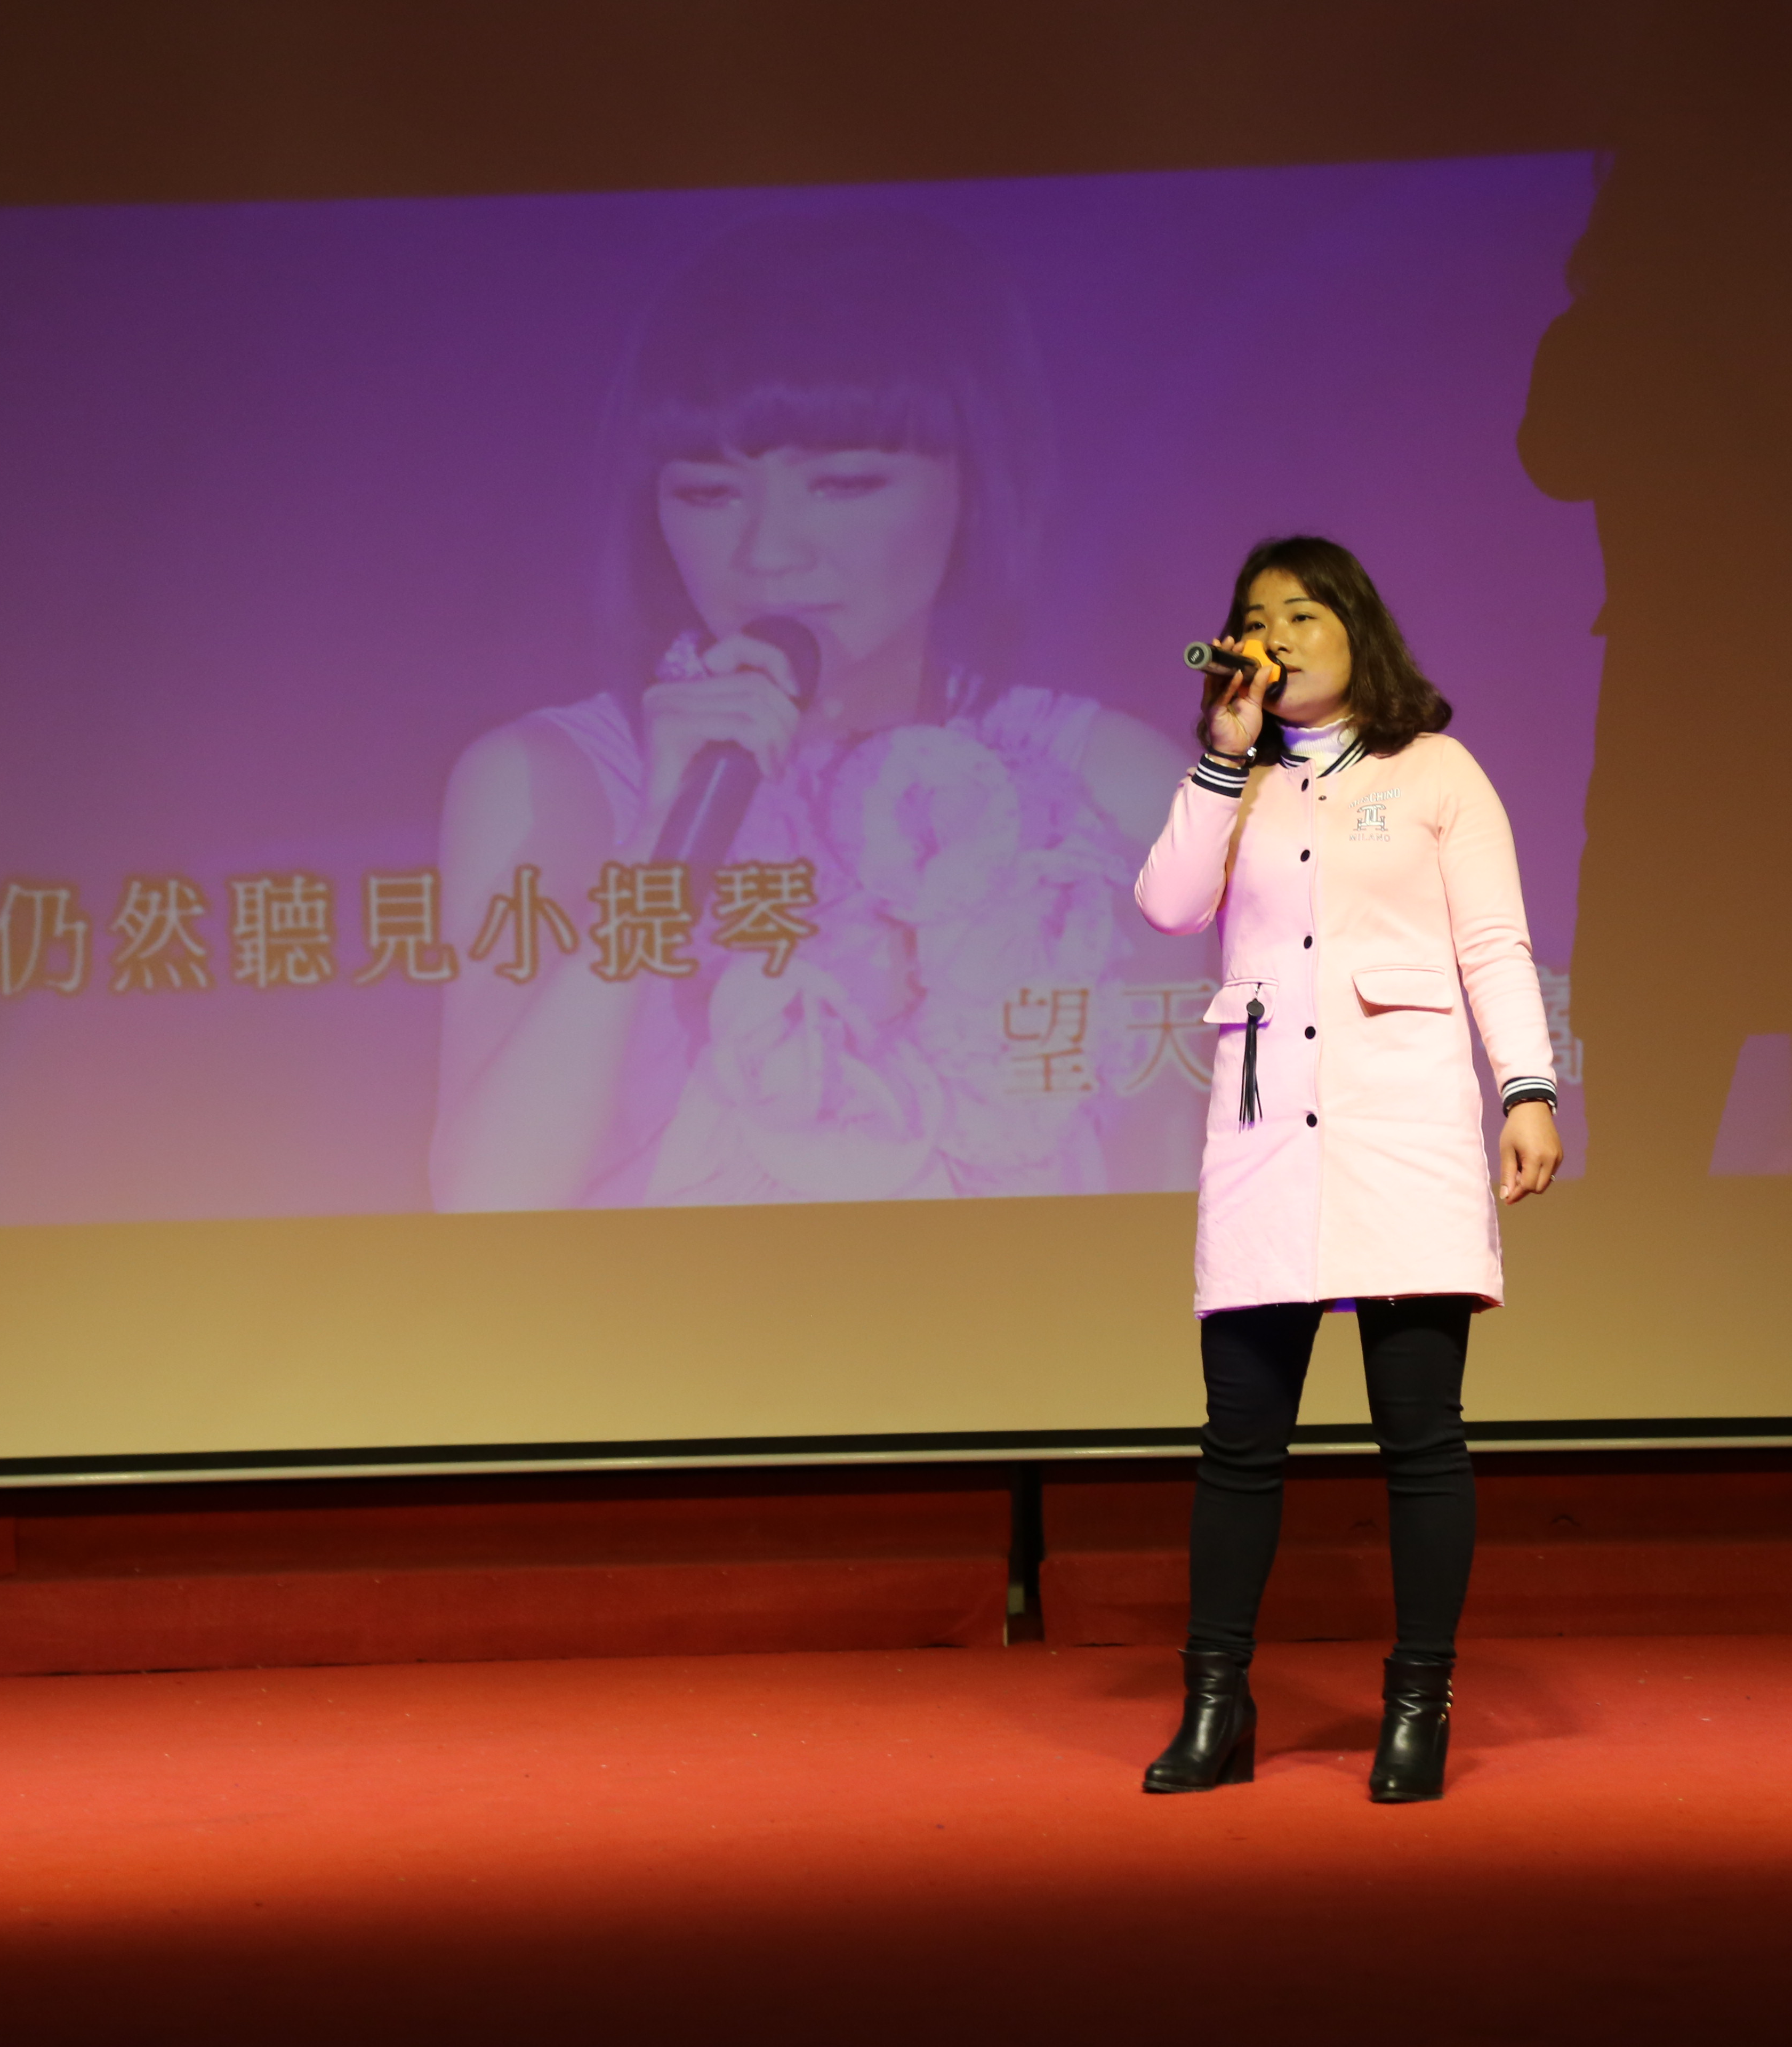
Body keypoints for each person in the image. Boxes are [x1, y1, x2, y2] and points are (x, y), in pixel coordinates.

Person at [431, 212, 1204, 1212]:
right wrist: (659, 850)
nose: (768, 554)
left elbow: (1170, 1185)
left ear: (972, 485)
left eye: (843, 485)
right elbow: (486, 1207)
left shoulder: (1114, 786)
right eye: (708, 495)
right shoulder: (551, 781)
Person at [1130, 535, 1564, 1803]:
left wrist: (1528, 1088)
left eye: (1303, 613)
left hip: (1404, 1128)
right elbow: (1167, 905)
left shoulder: (1434, 771)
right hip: (1268, 1134)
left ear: (1356, 629)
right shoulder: (1239, 779)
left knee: (1420, 1438)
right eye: (1255, 618)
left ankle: (1418, 1705)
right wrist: (1223, 755)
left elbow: (1494, 942)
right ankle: (1216, 1705)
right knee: (1240, 1441)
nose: (1275, 635)